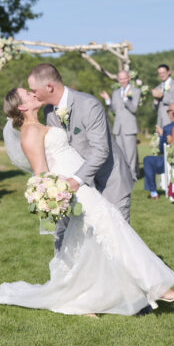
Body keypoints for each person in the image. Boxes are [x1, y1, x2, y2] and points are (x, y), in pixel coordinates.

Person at [0, 87, 174, 316]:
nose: (32, 93)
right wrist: (55, 194)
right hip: (69, 187)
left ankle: (82, 300)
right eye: (27, 94)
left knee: (87, 240)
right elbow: (41, 173)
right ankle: (156, 286)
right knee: (112, 226)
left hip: (80, 183)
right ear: (22, 106)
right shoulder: (29, 132)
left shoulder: (42, 123)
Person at [28, 63, 133, 228]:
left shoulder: (88, 105)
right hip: (84, 189)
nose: (33, 95)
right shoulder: (48, 110)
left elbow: (100, 150)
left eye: (34, 90)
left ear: (49, 87)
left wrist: (76, 180)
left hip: (110, 180)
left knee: (117, 241)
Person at [101, 70, 141, 180]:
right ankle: (123, 175)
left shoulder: (136, 91)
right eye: (120, 79)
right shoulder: (115, 92)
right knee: (121, 153)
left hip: (129, 127)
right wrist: (108, 100)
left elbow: (134, 108)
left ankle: (132, 176)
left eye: (124, 78)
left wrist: (126, 99)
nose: (122, 80)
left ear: (128, 78)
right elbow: (114, 110)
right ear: (118, 80)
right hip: (118, 127)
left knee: (131, 154)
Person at [142, 101, 174, 199]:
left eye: (169, 111)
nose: (168, 114)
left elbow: (162, 149)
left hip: (170, 160)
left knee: (148, 160)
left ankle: (153, 192)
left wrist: (161, 134)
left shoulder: (168, 128)